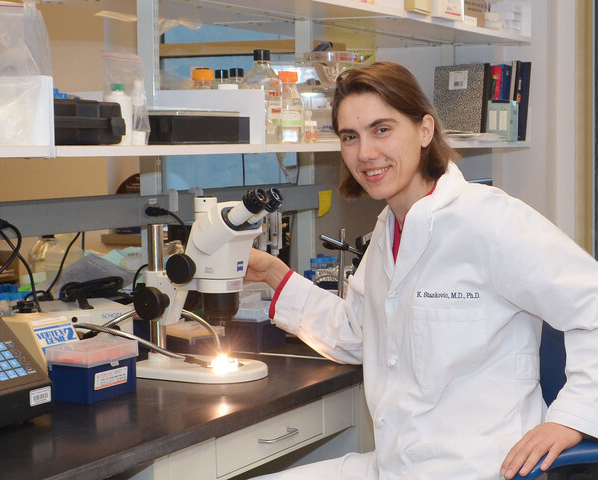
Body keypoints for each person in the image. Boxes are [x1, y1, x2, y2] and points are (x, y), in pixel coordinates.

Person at [245, 62, 598, 480]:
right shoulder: (389, 228)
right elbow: (358, 333)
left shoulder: (488, 220)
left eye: (382, 129)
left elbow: (591, 302)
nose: (365, 153)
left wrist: (571, 417)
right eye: (350, 137)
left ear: (425, 131)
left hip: (483, 469)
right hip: (396, 466)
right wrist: (273, 274)